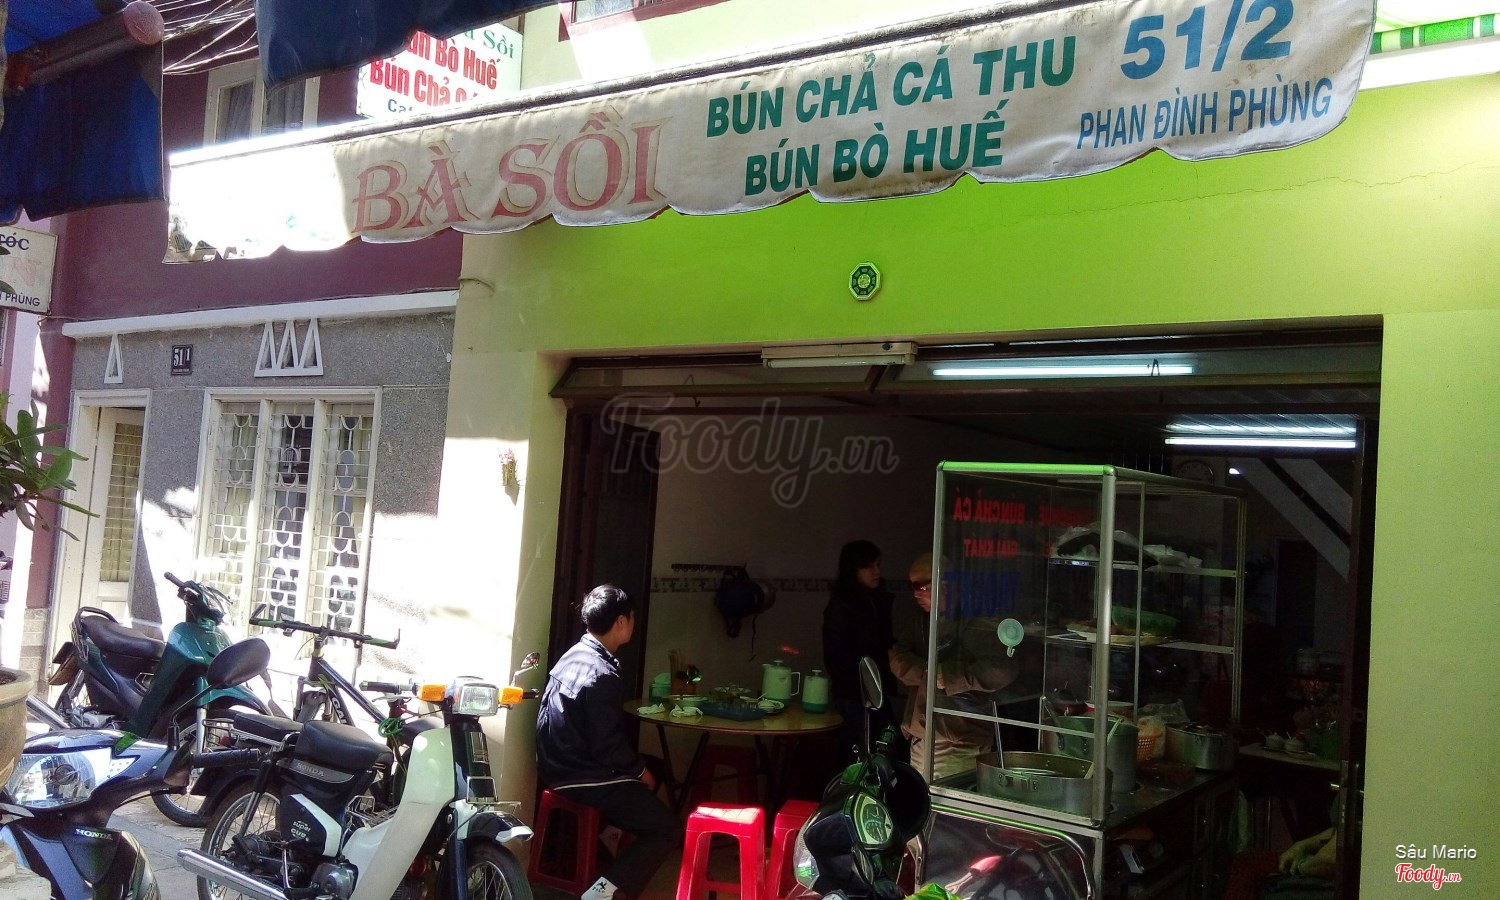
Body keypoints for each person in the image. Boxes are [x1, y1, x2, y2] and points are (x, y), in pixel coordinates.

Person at [536, 585, 680, 900]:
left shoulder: (575, 654)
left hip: (556, 764)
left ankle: (609, 836)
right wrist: (639, 771)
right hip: (582, 775)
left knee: (655, 766)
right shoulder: (601, 673)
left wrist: (641, 768)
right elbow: (607, 746)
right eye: (632, 618)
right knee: (666, 829)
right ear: (621, 622)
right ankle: (602, 894)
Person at [889, 553, 1018, 780]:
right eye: (912, 586)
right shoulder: (924, 621)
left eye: (921, 586)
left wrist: (950, 676)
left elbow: (1003, 668)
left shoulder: (975, 620)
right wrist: (929, 673)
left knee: (940, 800)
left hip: (957, 739)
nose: (916, 594)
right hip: (926, 733)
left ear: (945, 583)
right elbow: (897, 657)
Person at [822, 539, 898, 763]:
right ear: (853, 569)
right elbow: (835, 656)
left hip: (873, 691)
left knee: (882, 752)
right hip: (855, 694)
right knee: (861, 757)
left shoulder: (875, 600)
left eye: (878, 565)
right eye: (868, 566)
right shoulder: (843, 606)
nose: (876, 571)